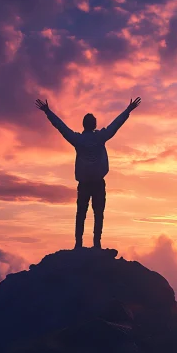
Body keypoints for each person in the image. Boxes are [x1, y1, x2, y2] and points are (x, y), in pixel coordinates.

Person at [35, 97, 142, 249]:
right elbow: (115, 125)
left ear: (84, 125)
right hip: (98, 183)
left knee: (81, 214)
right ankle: (96, 244)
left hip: (84, 184)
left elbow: (61, 127)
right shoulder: (100, 137)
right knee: (98, 214)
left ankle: (79, 244)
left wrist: (47, 111)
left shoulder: (78, 139)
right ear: (94, 125)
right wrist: (128, 110)